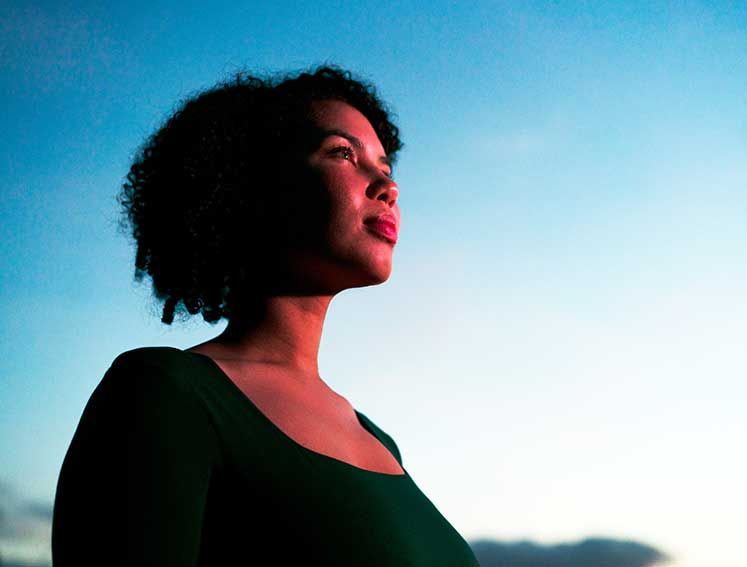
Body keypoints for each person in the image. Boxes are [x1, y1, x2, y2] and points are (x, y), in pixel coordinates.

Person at [52, 66, 480, 566]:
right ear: (254, 186)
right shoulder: (166, 394)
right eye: (343, 153)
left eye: (385, 167)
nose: (387, 185)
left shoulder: (377, 439)